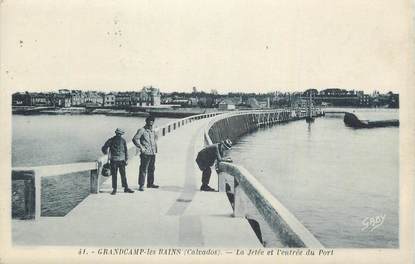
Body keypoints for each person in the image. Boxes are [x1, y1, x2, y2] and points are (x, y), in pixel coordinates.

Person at [101, 128, 134, 195]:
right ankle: (114, 189)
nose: (119, 135)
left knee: (123, 175)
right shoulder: (111, 140)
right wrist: (106, 153)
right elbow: (104, 148)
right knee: (114, 175)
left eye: (120, 134)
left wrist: (126, 159)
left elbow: (125, 151)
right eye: (118, 133)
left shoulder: (123, 141)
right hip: (114, 161)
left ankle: (126, 188)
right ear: (116, 133)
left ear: (121, 134)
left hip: (122, 160)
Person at [132, 116, 159, 191]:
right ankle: (141, 185)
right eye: (149, 121)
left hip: (153, 152)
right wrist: (141, 147)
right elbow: (135, 139)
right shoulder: (142, 130)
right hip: (145, 153)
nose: (151, 123)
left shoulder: (153, 131)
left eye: (152, 121)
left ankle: (150, 184)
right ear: (146, 121)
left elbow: (155, 138)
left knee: (152, 169)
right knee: (143, 169)